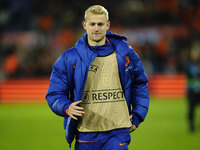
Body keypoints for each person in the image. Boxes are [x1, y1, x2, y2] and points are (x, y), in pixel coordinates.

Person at [46, 5, 149, 150]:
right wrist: (66, 107)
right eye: (92, 24)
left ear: (108, 25)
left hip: (117, 131)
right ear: (84, 25)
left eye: (100, 24)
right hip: (85, 134)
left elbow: (139, 83)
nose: (96, 28)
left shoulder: (125, 53)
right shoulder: (69, 58)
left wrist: (138, 114)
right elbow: (55, 93)